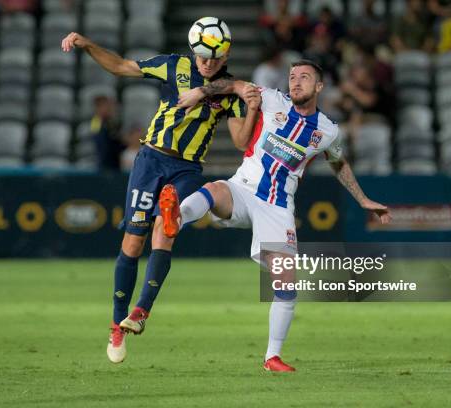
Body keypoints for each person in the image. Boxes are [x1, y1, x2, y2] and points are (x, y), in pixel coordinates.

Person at [163, 60, 391, 371]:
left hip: (278, 208)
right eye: (293, 77)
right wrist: (197, 94)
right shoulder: (271, 99)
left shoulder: (327, 131)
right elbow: (231, 84)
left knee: (286, 284)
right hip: (242, 189)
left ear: (319, 87)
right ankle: (176, 217)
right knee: (214, 190)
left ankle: (272, 357)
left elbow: (338, 163)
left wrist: (363, 199)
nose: (296, 82)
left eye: (305, 78)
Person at [61, 20, 260, 364]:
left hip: (187, 167)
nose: (207, 63)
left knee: (165, 229)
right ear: (193, 50)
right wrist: (88, 44)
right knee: (133, 243)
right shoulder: (174, 66)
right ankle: (116, 323)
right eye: (202, 56)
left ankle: (141, 311)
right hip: (150, 160)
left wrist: (253, 106)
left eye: (214, 58)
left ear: (224, 55)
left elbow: (242, 141)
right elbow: (122, 66)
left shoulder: (232, 90)